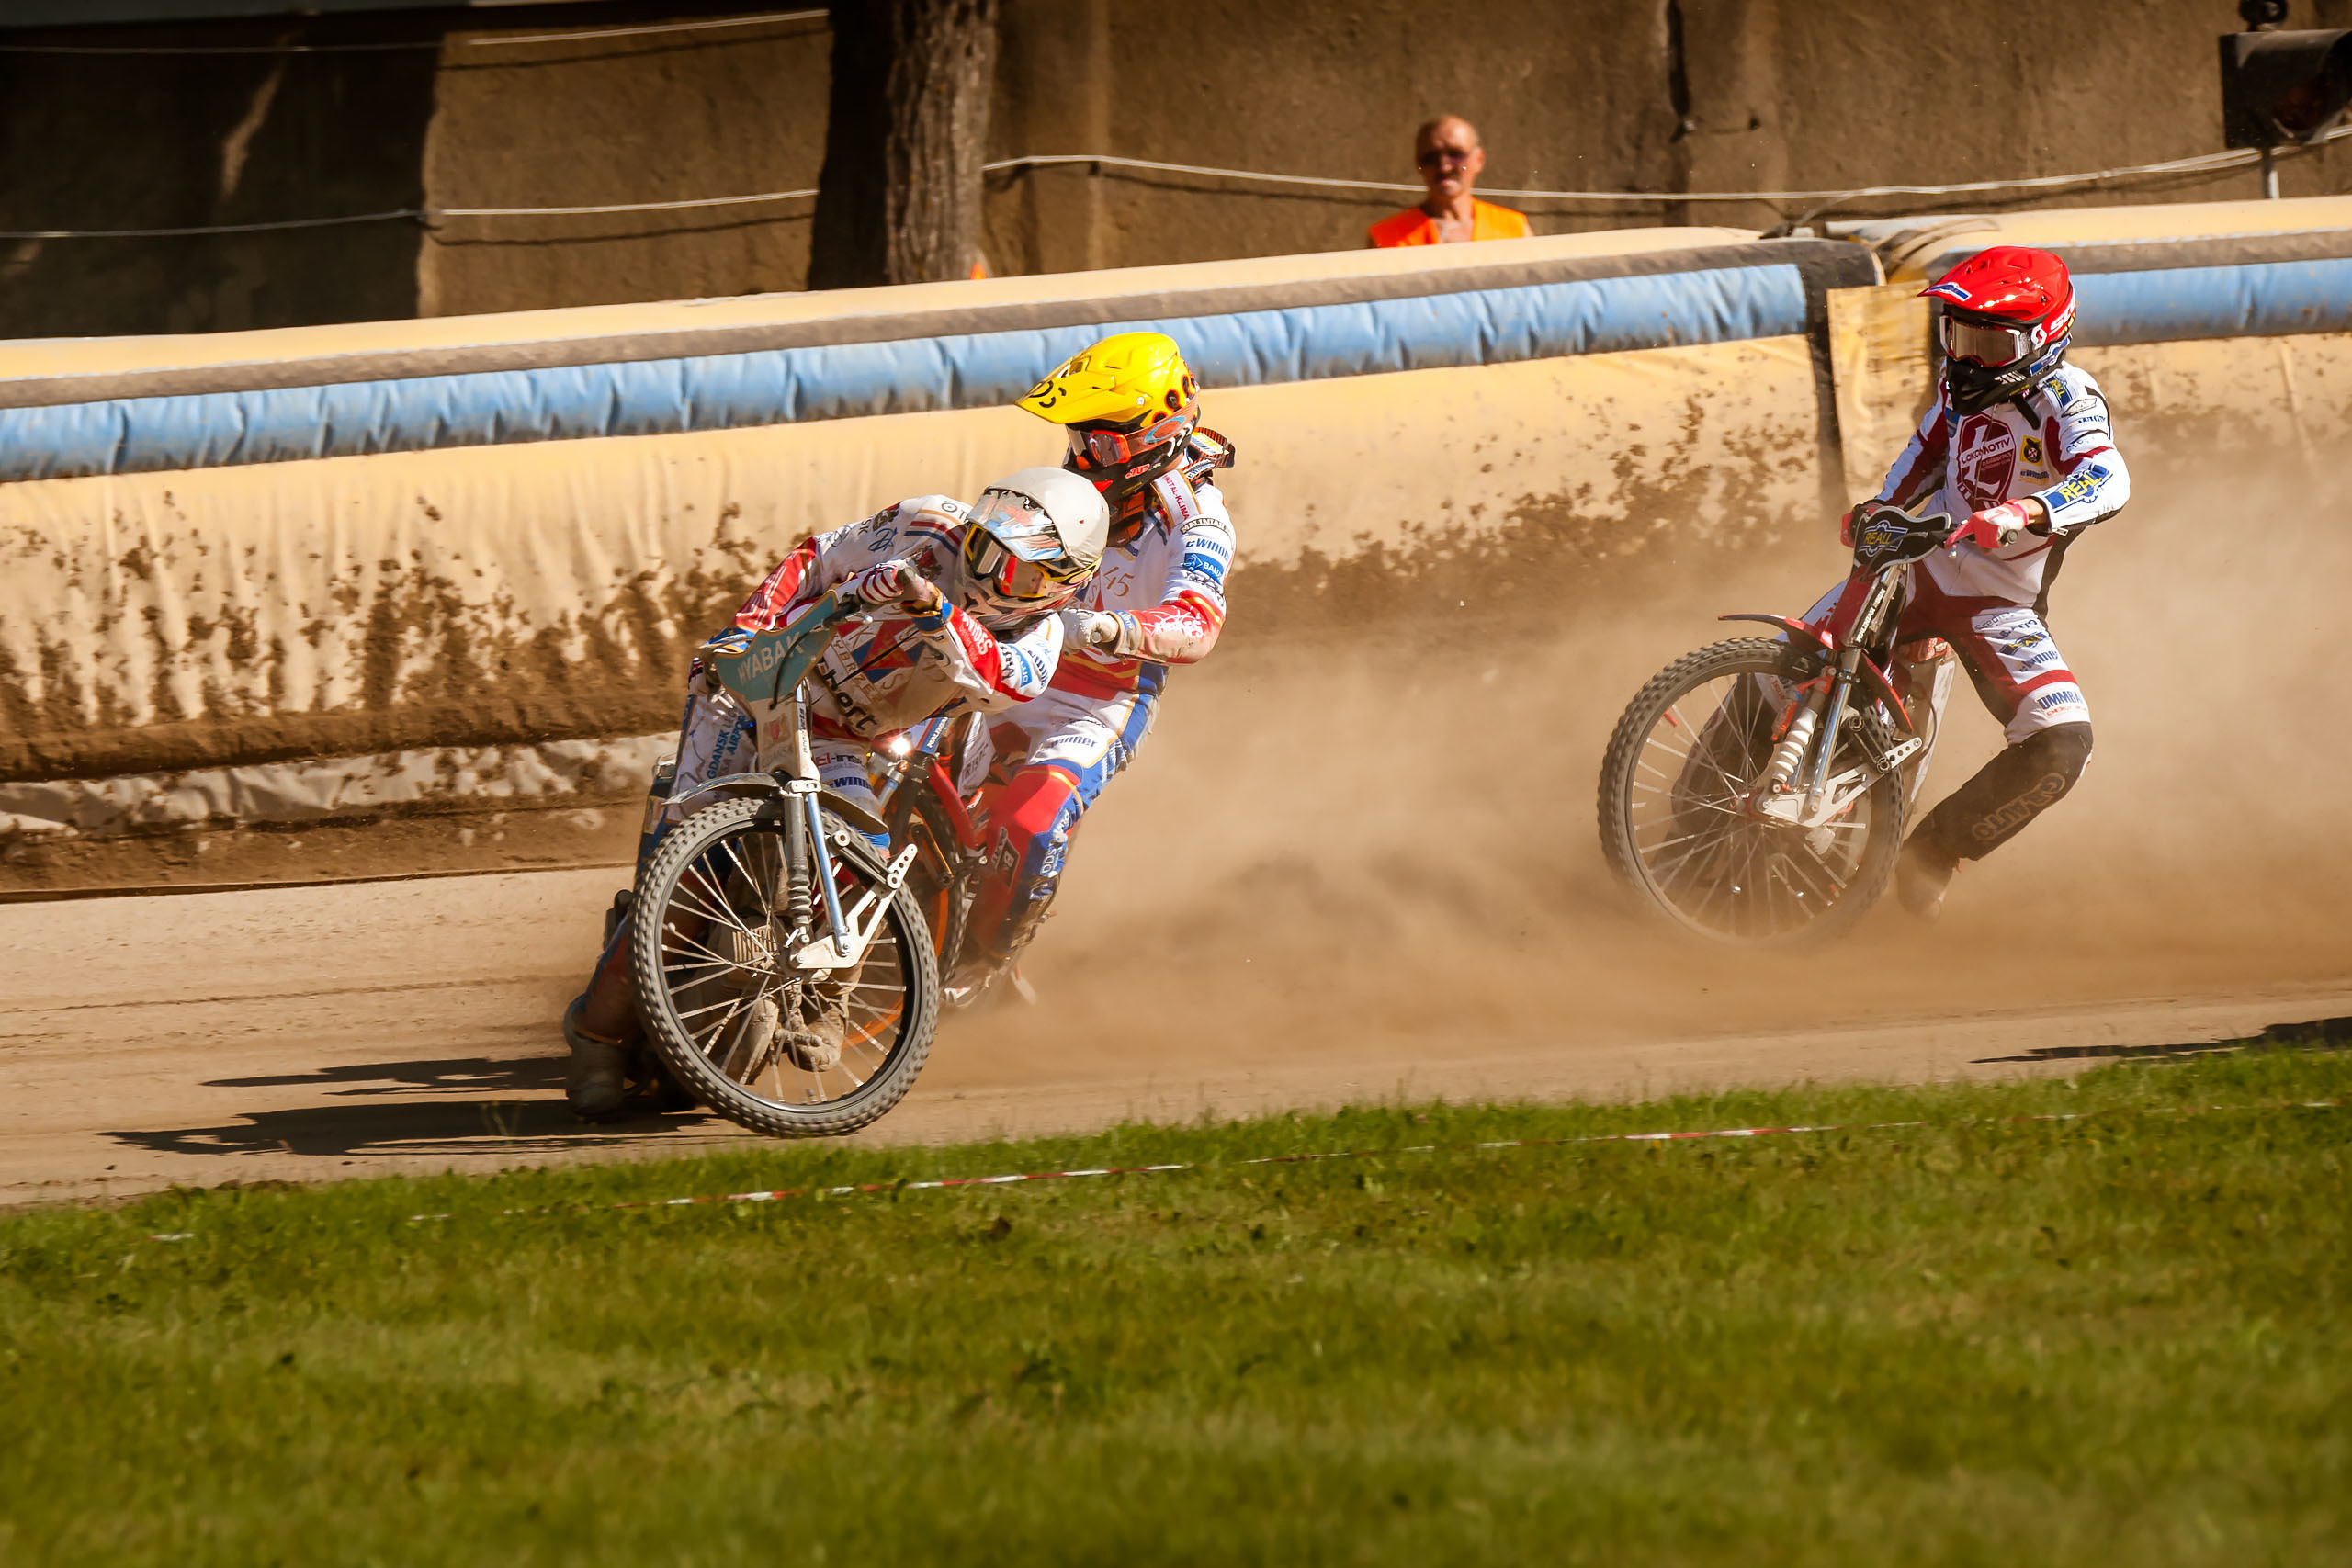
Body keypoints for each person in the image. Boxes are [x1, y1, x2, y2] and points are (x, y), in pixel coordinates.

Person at [561, 466, 1111, 1116]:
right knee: (688, 876)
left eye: (1013, 570)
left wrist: (930, 608)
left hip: (844, 737)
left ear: (1062, 587)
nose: (987, 572)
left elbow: (991, 675)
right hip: (758, 686)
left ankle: (831, 1002)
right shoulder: (928, 520)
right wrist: (752, 624)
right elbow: (816, 556)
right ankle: (595, 1034)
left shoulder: (1041, 645)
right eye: (981, 546)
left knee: (869, 864)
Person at [1817, 244, 2130, 919]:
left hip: (1999, 602)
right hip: (1918, 565)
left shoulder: (2067, 397)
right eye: (1957, 335)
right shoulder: (1954, 390)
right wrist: (1879, 507)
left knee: (2062, 741)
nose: (1966, 358)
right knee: (1797, 658)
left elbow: (2109, 477)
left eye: (1990, 341)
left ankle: (1933, 850)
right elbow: (1926, 450)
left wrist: (2030, 510)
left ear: (2042, 340)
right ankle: (1696, 801)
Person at [948, 331, 1238, 996]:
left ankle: (982, 969)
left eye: (1099, 445)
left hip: (1103, 699)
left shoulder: (1197, 519)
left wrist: (1105, 628)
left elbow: (1197, 624)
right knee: (920, 767)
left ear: (1151, 438)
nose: (1081, 458)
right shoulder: (1072, 489)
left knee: (1029, 822)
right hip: (1027, 659)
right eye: (1077, 439)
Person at [1367, 114, 1531, 248]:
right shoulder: (1387, 238)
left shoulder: (1513, 230)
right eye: (1431, 158)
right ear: (1418, 163)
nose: (1444, 167)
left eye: (1456, 154)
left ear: (1479, 160)